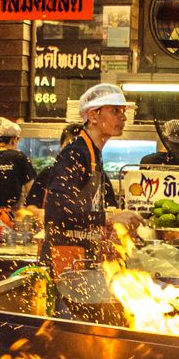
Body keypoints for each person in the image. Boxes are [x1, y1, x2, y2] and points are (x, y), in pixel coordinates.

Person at [40, 83, 143, 275]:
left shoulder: (94, 153)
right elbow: (59, 212)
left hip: (81, 257)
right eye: (115, 111)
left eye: (123, 111)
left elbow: (85, 210)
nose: (123, 117)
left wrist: (112, 230)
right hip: (63, 260)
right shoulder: (74, 154)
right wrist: (110, 218)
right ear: (93, 115)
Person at [26, 122, 86, 211]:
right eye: (69, 146)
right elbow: (30, 206)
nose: (74, 152)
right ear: (61, 147)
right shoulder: (47, 173)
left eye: (79, 148)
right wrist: (43, 214)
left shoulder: (96, 175)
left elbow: (112, 209)